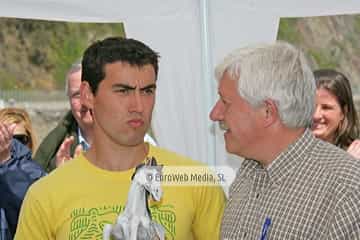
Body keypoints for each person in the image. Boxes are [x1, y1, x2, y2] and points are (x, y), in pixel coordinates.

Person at [15, 37, 225, 240]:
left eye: (147, 91)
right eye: (123, 91)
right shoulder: (45, 195)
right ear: (88, 94)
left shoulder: (196, 181)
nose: (138, 106)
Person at [210, 41, 360, 239]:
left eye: (225, 103)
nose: (215, 114)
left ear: (267, 112)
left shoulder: (347, 190)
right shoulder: (248, 172)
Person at [34, 61, 157, 172]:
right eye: (77, 95)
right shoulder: (54, 150)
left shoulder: (143, 144)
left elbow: (161, 190)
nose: (85, 101)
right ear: (69, 100)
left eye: (91, 92)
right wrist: (62, 179)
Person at [0, 110, 45, 239]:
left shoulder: (37, 174)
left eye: (20, 139)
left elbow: (24, 197)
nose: (12, 145)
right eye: (4, 137)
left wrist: (6, 161)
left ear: (30, 141)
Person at [312, 69, 360, 158]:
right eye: (310, 106)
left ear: (343, 112)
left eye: (326, 108)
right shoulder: (286, 149)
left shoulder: (356, 154)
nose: (316, 115)